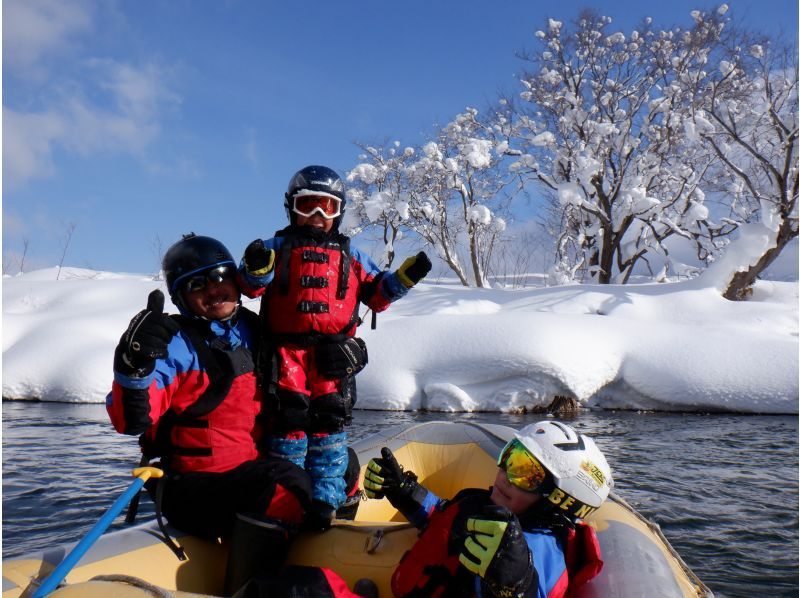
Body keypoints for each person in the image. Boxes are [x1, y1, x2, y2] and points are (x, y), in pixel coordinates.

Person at [106, 233, 364, 595]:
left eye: (221, 276)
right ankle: (250, 589)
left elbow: (307, 357)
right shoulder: (177, 344)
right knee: (282, 482)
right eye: (198, 284)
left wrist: (352, 353)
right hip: (195, 486)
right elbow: (131, 419)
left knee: (345, 466)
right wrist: (133, 366)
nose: (214, 289)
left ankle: (324, 553)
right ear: (181, 297)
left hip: (250, 471)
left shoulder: (255, 328)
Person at [238, 165, 432, 528]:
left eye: (326, 207)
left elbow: (376, 295)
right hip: (285, 355)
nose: (316, 216)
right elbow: (250, 286)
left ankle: (326, 502)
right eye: (307, 205)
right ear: (291, 209)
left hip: (334, 358)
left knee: (329, 426)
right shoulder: (274, 249)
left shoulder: (353, 257)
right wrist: (255, 269)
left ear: (338, 212)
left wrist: (403, 280)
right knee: (288, 423)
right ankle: (286, 498)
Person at [363, 420, 613, 598]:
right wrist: (405, 491)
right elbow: (445, 518)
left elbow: (534, 588)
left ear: (555, 499)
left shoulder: (540, 551)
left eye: (525, 473)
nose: (504, 475)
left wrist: (514, 582)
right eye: (509, 458)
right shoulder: (485, 508)